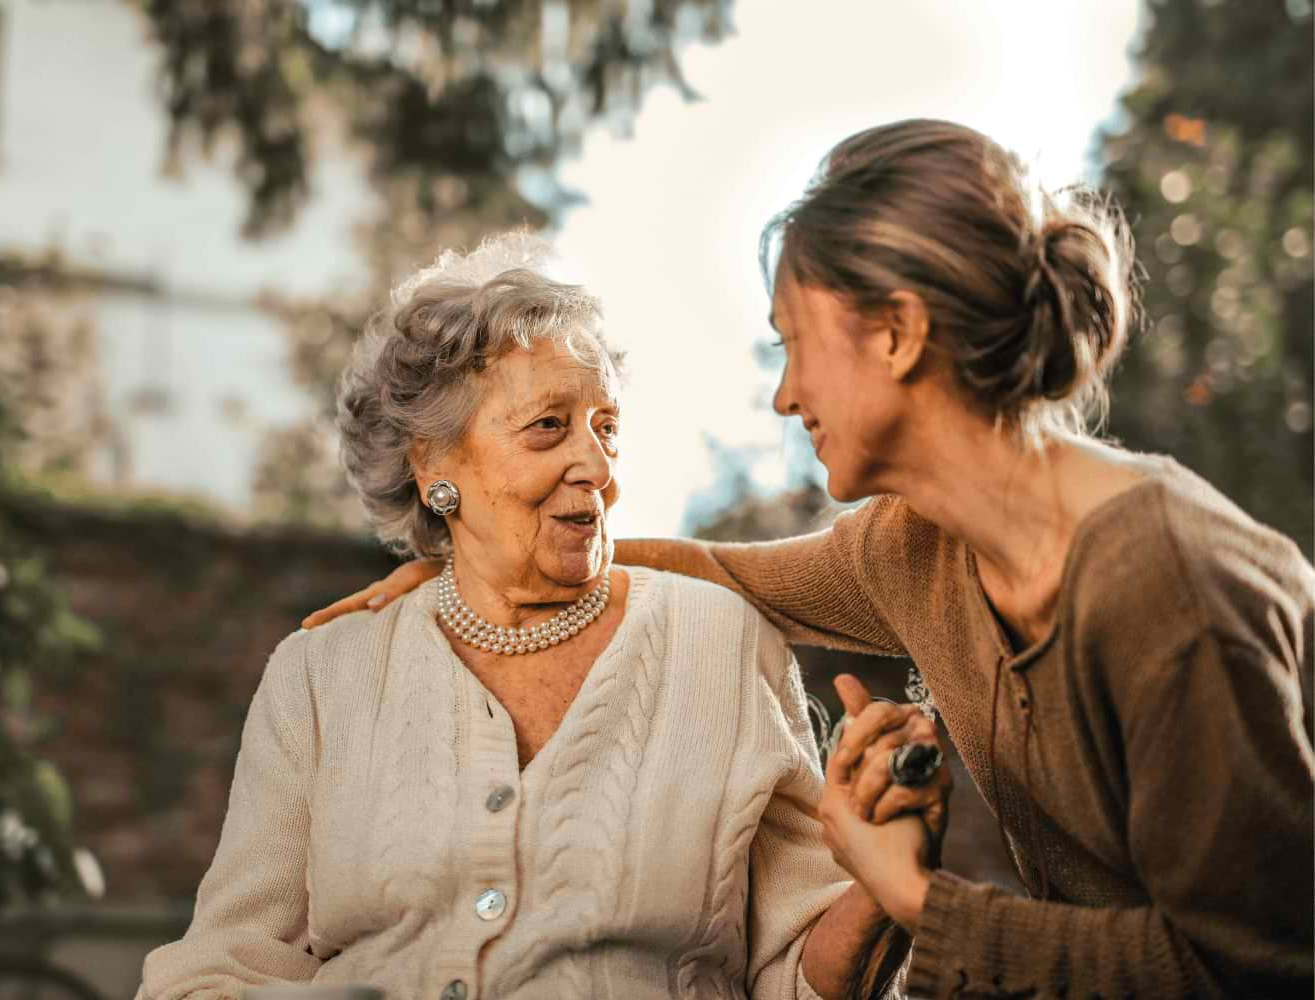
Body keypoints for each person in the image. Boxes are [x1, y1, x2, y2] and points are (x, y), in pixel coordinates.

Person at [302, 121, 1315, 998]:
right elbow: (723, 572)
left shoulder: (1165, 586)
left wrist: (916, 897)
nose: (785, 396)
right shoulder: (917, 548)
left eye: (793, 343)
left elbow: (1256, 968)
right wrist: (476, 563)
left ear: (899, 334)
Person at [139, 234, 945, 1000]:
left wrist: (882, 887)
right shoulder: (322, 675)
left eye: (608, 429)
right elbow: (220, 967)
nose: (596, 466)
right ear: (433, 465)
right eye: (549, 427)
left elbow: (800, 979)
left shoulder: (723, 645)